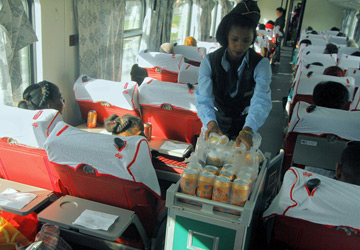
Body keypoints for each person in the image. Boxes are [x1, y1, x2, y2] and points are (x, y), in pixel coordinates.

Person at [196, 0, 272, 150]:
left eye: (246, 40)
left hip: (246, 122)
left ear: (252, 40)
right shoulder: (210, 61)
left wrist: (248, 129)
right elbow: (204, 99)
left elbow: (261, 100)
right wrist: (210, 123)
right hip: (215, 120)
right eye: (234, 39)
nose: (240, 46)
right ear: (226, 37)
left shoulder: (261, 64)